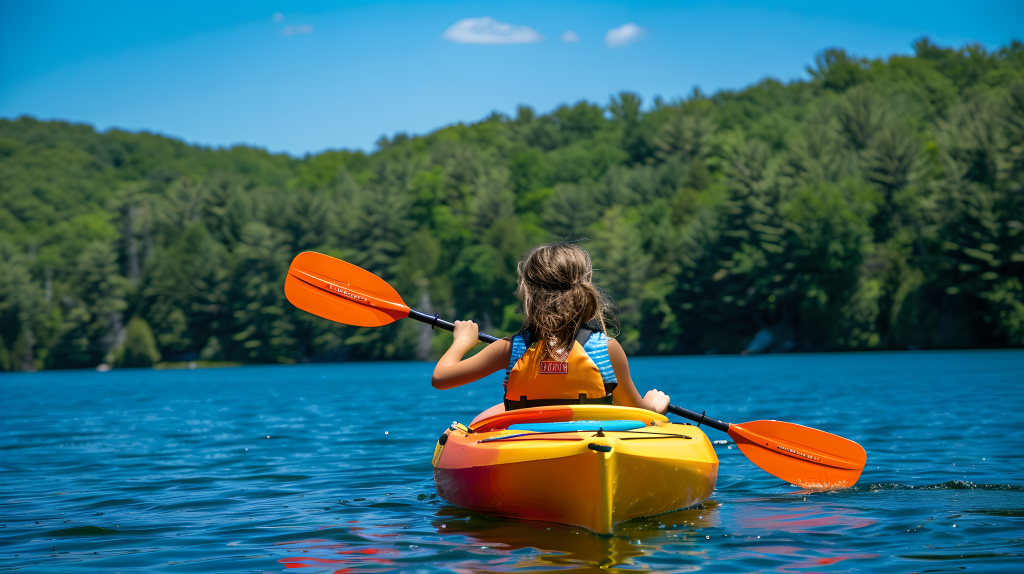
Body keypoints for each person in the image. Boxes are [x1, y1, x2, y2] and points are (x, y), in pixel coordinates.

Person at [431, 242, 670, 425]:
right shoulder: (606, 348)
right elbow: (637, 413)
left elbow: (441, 379)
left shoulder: (509, 349)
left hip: (527, 446)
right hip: (595, 444)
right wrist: (654, 406)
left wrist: (462, 341)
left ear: (528, 293)